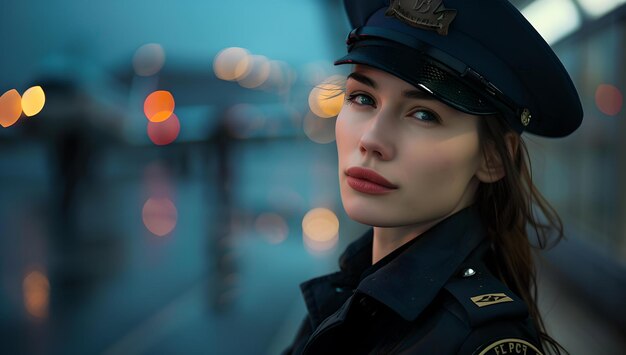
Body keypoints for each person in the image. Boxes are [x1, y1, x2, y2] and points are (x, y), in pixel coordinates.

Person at [284, 0, 583, 354]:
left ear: (491, 159)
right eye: (363, 98)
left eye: (424, 115)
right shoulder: (356, 289)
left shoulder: (480, 342)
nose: (371, 140)